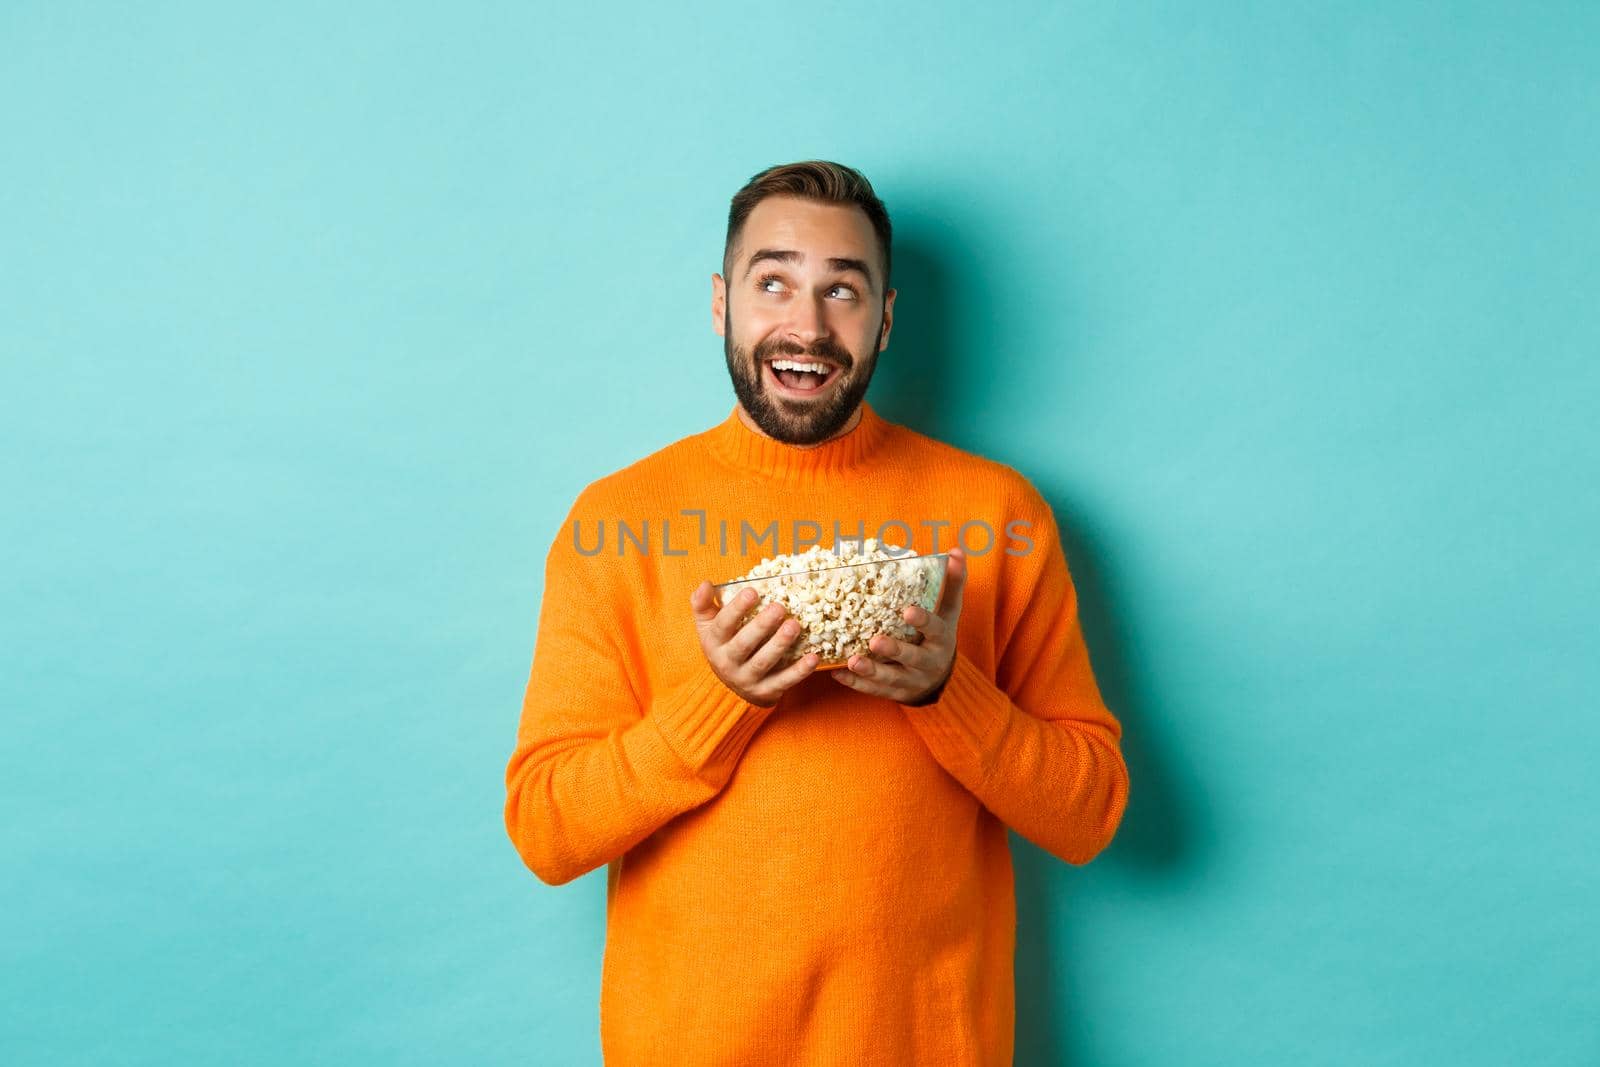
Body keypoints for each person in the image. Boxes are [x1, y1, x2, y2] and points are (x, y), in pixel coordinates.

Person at [503, 160, 1130, 1066]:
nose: (807, 324)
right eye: (774, 282)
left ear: (885, 317)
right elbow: (547, 829)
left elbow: (1092, 812)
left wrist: (948, 693)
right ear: (722, 303)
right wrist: (717, 699)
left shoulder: (996, 514)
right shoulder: (619, 522)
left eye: (843, 289)